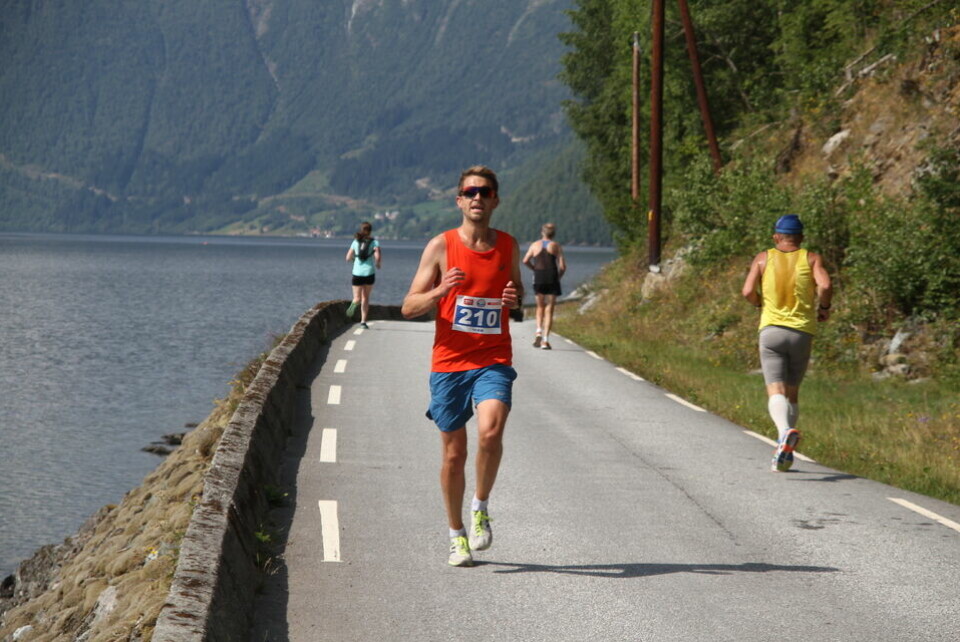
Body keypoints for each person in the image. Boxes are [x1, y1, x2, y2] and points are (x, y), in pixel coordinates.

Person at [401, 165, 523, 567]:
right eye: (470, 192)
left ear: (495, 200)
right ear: (459, 201)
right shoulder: (441, 246)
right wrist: (441, 289)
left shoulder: (508, 246)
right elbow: (408, 307)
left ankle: (480, 506)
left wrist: (514, 299)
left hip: (493, 358)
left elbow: (517, 293)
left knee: (491, 431)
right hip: (450, 363)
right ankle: (456, 535)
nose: (477, 198)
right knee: (454, 455)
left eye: (485, 192)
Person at [741, 214, 832, 472]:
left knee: (775, 389)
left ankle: (783, 433)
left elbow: (747, 291)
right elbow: (825, 285)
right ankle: (786, 453)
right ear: (801, 237)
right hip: (801, 332)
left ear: (776, 237)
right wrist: (824, 308)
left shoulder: (763, 258)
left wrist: (759, 303)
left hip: (771, 331)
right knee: (792, 392)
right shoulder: (811, 258)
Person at [522, 222, 566, 350]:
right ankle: (545, 341)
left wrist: (534, 269)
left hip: (539, 276)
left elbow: (525, 260)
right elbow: (562, 266)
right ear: (554, 234)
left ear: (542, 232)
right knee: (549, 308)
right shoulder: (556, 246)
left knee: (540, 306)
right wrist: (558, 277)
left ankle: (538, 331)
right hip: (552, 277)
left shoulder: (534, 245)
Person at [345, 221, 381, 329]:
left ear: (361, 230)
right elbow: (377, 256)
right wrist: (378, 264)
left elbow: (347, 258)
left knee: (357, 297)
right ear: (370, 231)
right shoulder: (374, 242)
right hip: (369, 272)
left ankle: (354, 302)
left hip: (357, 273)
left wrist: (354, 260)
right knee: (365, 297)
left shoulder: (355, 241)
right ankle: (363, 322)